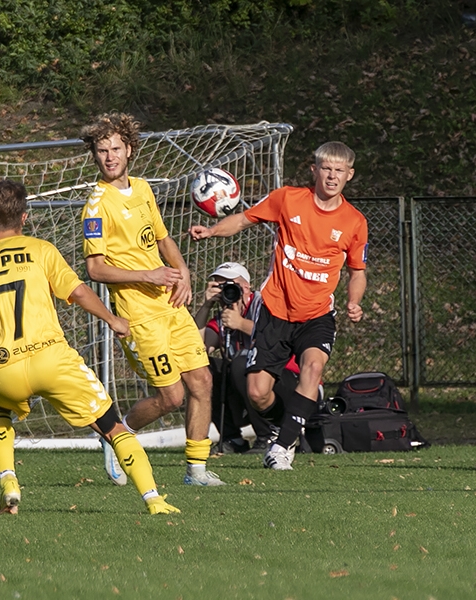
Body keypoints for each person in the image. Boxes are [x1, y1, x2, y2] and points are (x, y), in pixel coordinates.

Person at [0, 179, 180, 515]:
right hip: (51, 359)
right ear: (25, 218)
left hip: (5, 367)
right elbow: (78, 292)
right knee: (111, 426)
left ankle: (9, 481)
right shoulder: (41, 250)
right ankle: (154, 499)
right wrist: (113, 320)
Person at [189, 141, 368, 470]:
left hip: (317, 314)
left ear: (349, 175)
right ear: (314, 170)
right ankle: (283, 426)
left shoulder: (354, 221)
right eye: (326, 169)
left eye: (339, 171)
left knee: (313, 367)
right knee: (258, 392)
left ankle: (283, 446)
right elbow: (243, 220)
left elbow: (358, 272)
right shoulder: (287, 199)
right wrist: (212, 231)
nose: (332, 176)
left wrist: (354, 301)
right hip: (274, 311)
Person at [80, 112, 223, 486]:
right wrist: (149, 274)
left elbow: (162, 239)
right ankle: (116, 436)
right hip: (139, 314)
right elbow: (95, 269)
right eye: (101, 150)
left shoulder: (142, 188)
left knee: (202, 381)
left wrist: (183, 271)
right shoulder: (96, 206)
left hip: (170, 305)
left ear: (129, 150)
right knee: (171, 397)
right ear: (94, 156)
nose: (109, 156)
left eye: (115, 148)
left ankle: (197, 471)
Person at [194, 262, 308, 454]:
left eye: (230, 284)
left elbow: (276, 338)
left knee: (242, 361)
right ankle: (232, 438)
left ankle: (268, 436)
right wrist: (206, 306)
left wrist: (241, 324)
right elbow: (197, 348)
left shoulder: (267, 304)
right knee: (201, 368)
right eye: (219, 285)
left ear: (246, 287)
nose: (225, 290)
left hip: (284, 380)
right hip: (248, 386)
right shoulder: (222, 317)